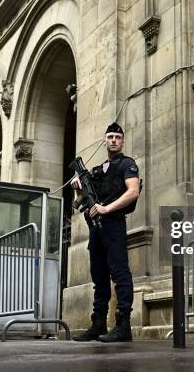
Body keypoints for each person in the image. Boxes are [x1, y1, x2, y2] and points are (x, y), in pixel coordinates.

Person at [72, 122, 140, 343]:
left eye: (117, 137)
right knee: (99, 276)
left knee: (120, 274)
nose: (113, 140)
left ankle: (123, 326)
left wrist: (107, 208)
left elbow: (133, 191)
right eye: (109, 136)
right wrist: (78, 190)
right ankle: (98, 324)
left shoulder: (127, 164)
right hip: (96, 229)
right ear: (104, 140)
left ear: (122, 141)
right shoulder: (98, 170)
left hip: (113, 224)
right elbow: (79, 202)